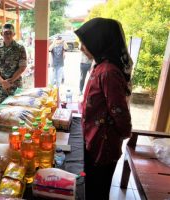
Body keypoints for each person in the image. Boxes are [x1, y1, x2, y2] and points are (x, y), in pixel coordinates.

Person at [75, 18, 133, 200]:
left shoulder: (108, 71)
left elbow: (119, 112)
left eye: (85, 43)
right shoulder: (100, 65)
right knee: (90, 185)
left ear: (100, 42)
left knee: (97, 191)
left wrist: (122, 134)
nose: (81, 47)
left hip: (103, 146)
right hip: (94, 139)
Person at [0, 23, 27, 104]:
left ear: (14, 34)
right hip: (1, 87)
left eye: (10, 33)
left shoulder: (20, 48)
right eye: (5, 33)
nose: (7, 35)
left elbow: (22, 67)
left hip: (15, 86)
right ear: (1, 34)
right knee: (1, 112)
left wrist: (10, 82)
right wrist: (2, 82)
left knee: (15, 111)